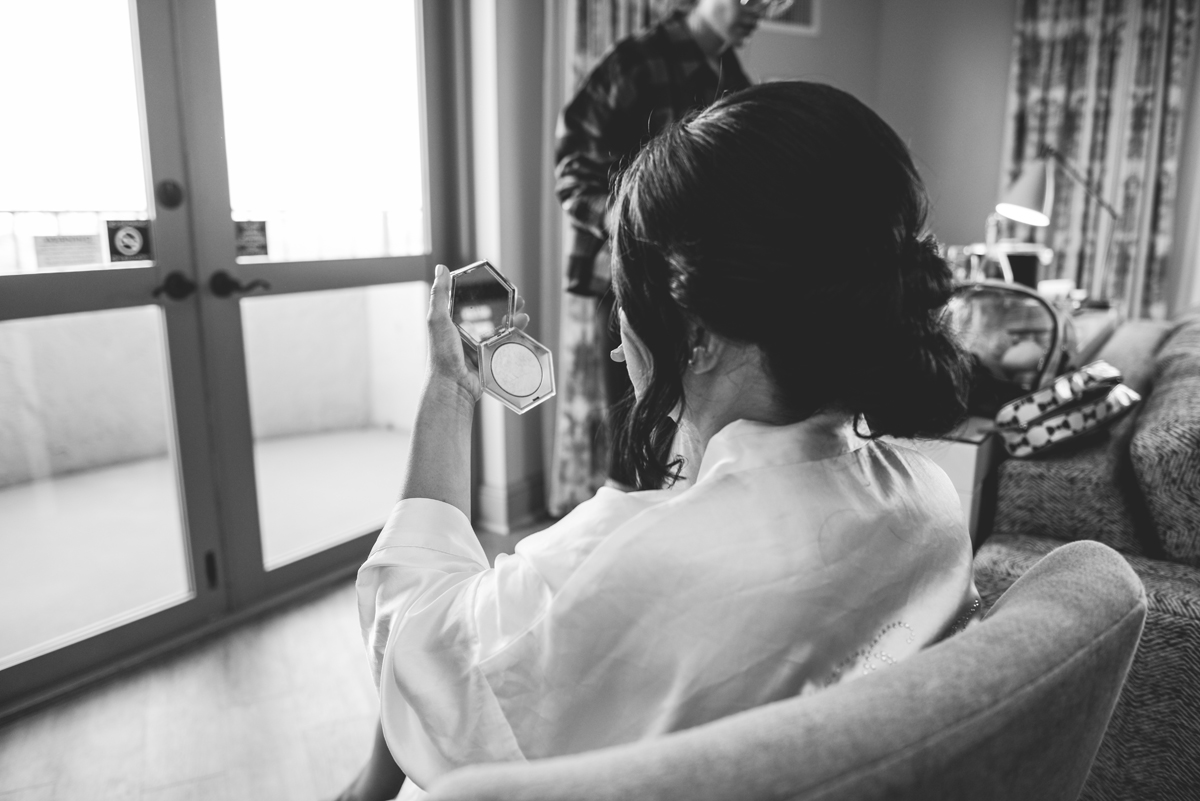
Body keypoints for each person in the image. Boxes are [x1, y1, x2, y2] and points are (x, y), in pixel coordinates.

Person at [342, 81, 981, 801]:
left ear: (698, 335)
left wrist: (452, 388)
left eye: (628, 299)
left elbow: (422, 647)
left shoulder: (628, 557)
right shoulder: (929, 499)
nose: (621, 341)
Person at [555, 0, 772, 484]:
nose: (759, 9)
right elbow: (573, 171)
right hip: (627, 276)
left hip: (697, 283)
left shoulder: (734, 79)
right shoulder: (634, 62)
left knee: (691, 430)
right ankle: (617, 536)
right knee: (632, 434)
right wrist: (634, 220)